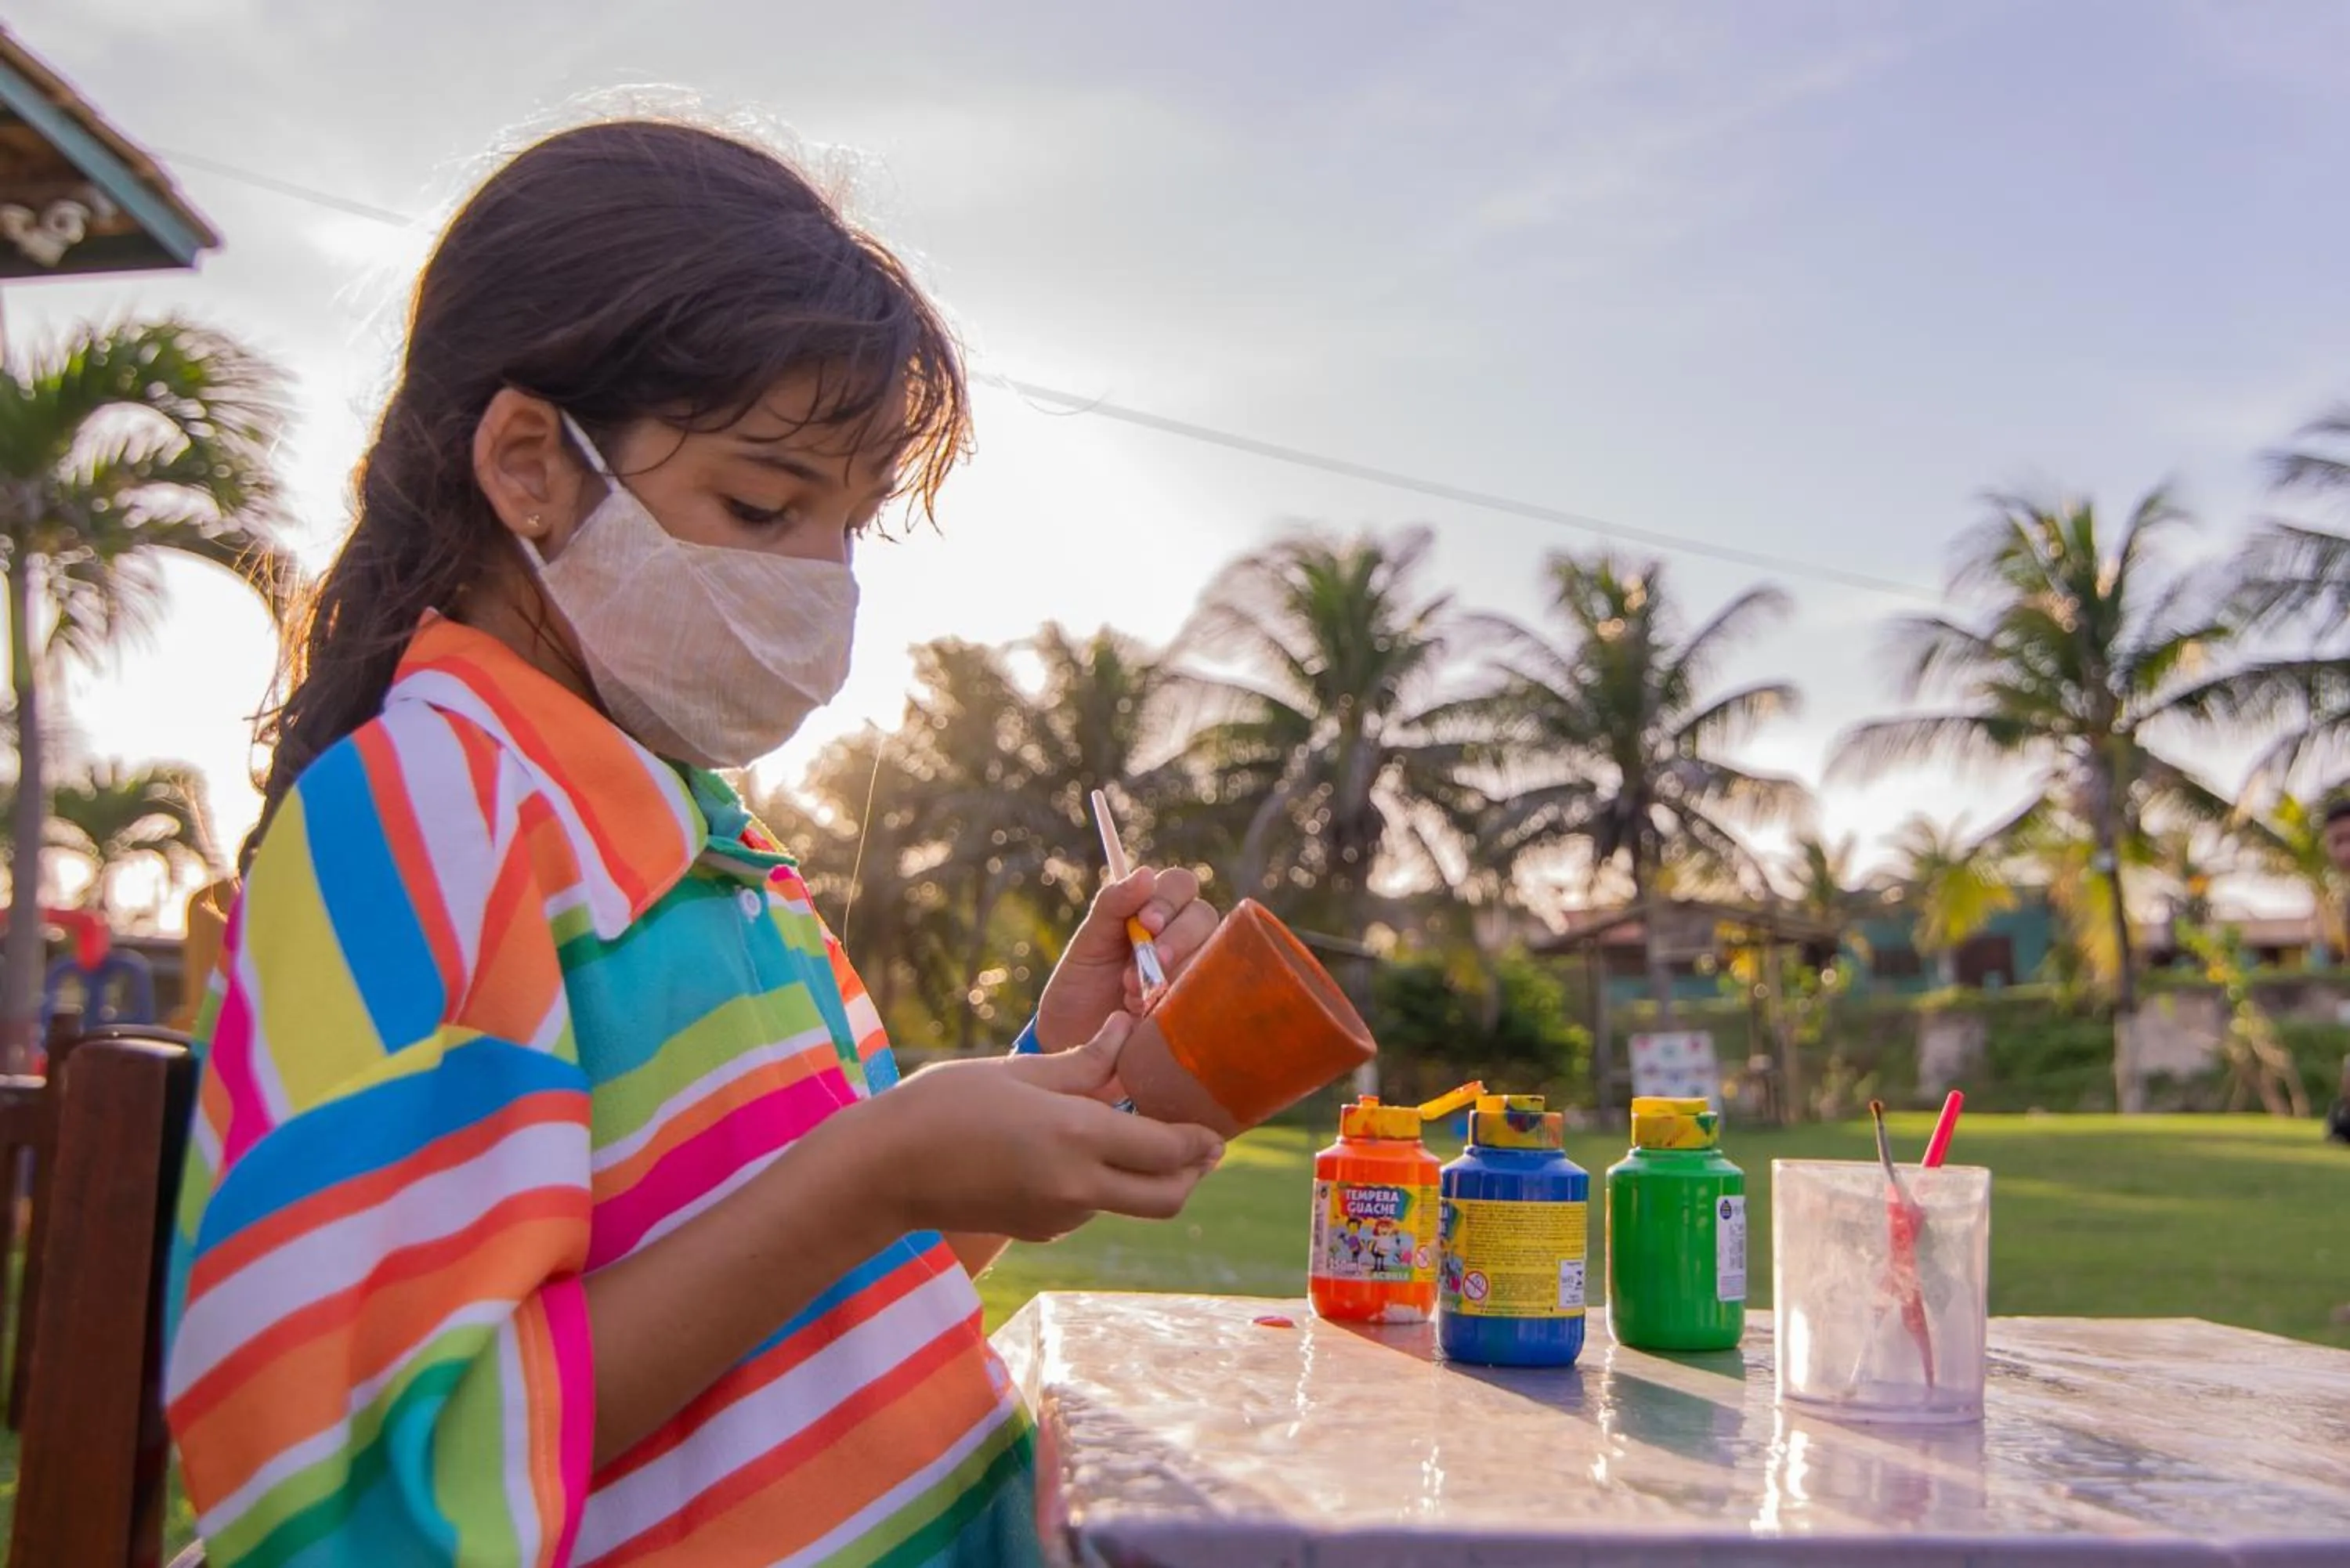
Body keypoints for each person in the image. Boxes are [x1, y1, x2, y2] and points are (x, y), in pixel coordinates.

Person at [163, 119, 1228, 1567]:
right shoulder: (424, 824)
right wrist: (883, 1165)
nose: (819, 592)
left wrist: (1036, 1083)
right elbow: (362, 1499)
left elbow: (815, 1301)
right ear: (530, 461)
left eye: (847, 530)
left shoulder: (712, 843)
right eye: (762, 506)